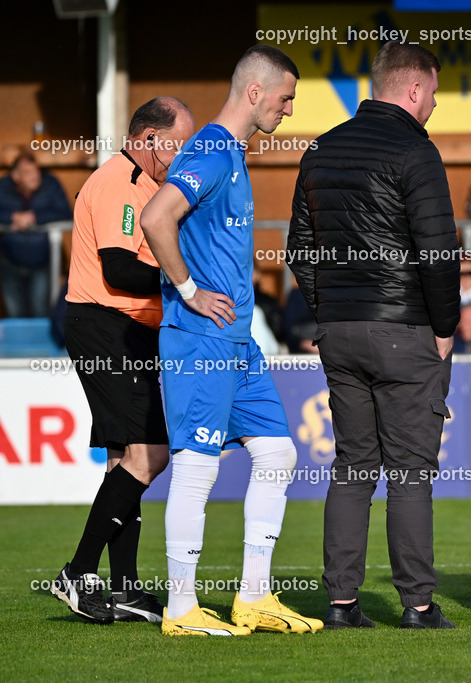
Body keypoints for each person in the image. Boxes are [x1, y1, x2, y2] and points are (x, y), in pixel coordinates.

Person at [140, 45, 322, 636]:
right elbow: (155, 217)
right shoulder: (213, 150)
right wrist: (189, 289)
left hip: (236, 341)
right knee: (196, 467)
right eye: (285, 97)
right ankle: (180, 608)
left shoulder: (232, 153)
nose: (288, 110)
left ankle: (254, 596)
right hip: (200, 338)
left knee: (277, 453)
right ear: (254, 93)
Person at [287, 40, 460, 630]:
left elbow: (298, 249)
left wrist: (328, 309)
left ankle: (340, 603)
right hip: (405, 330)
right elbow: (439, 253)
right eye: (433, 93)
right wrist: (445, 329)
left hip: (339, 332)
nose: (434, 105)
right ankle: (417, 604)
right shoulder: (417, 151)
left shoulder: (321, 148)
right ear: (413, 88)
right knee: (410, 473)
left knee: (353, 467)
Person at [50, 98, 195, 625]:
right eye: (177, 143)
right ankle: (79, 570)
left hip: (119, 330)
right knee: (151, 454)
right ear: (150, 137)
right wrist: (186, 282)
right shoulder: (121, 181)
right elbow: (117, 269)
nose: (180, 155)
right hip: (107, 327)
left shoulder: (146, 185)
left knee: (124, 460)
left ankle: (125, 588)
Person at [0, 152, 72, 317]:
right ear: (16, 176)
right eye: (28, 173)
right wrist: (12, 217)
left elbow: (65, 212)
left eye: (36, 171)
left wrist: (35, 217)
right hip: (9, 263)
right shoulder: (3, 186)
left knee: (40, 312)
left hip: (41, 263)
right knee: (14, 314)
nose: (34, 176)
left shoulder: (50, 184)